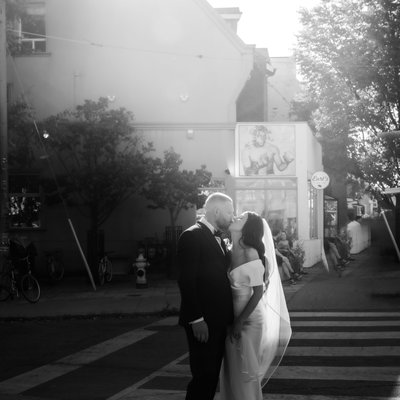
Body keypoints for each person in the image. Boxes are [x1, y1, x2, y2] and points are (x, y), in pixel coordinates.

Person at [219, 212, 292, 400]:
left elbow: (258, 292)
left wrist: (239, 321)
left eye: (240, 218)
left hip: (249, 320)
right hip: (232, 318)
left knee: (244, 372)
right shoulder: (228, 249)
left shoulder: (249, 252)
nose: (234, 217)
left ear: (247, 227)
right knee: (231, 371)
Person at [177, 192, 234, 400]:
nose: (232, 216)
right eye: (229, 211)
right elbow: (186, 280)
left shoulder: (218, 236)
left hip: (219, 320)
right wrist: (196, 319)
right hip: (203, 321)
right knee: (203, 375)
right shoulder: (192, 235)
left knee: (211, 377)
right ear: (216, 211)